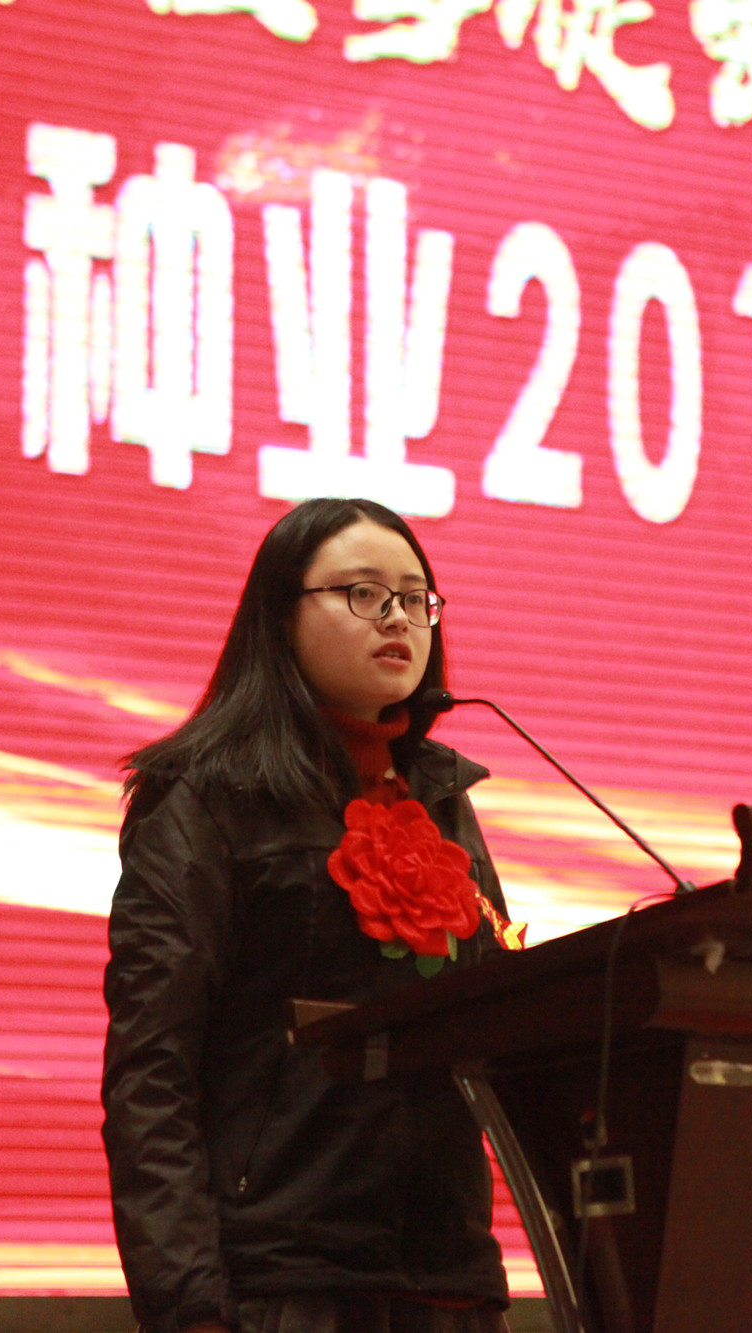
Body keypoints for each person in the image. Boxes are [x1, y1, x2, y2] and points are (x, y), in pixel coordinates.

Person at [102, 498, 520, 1333]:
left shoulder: (442, 798)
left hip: (445, 1281)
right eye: (365, 593)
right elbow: (152, 1074)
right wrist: (190, 1308)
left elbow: (499, 1015)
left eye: (416, 598)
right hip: (278, 1285)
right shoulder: (206, 800)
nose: (398, 618)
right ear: (280, 615)